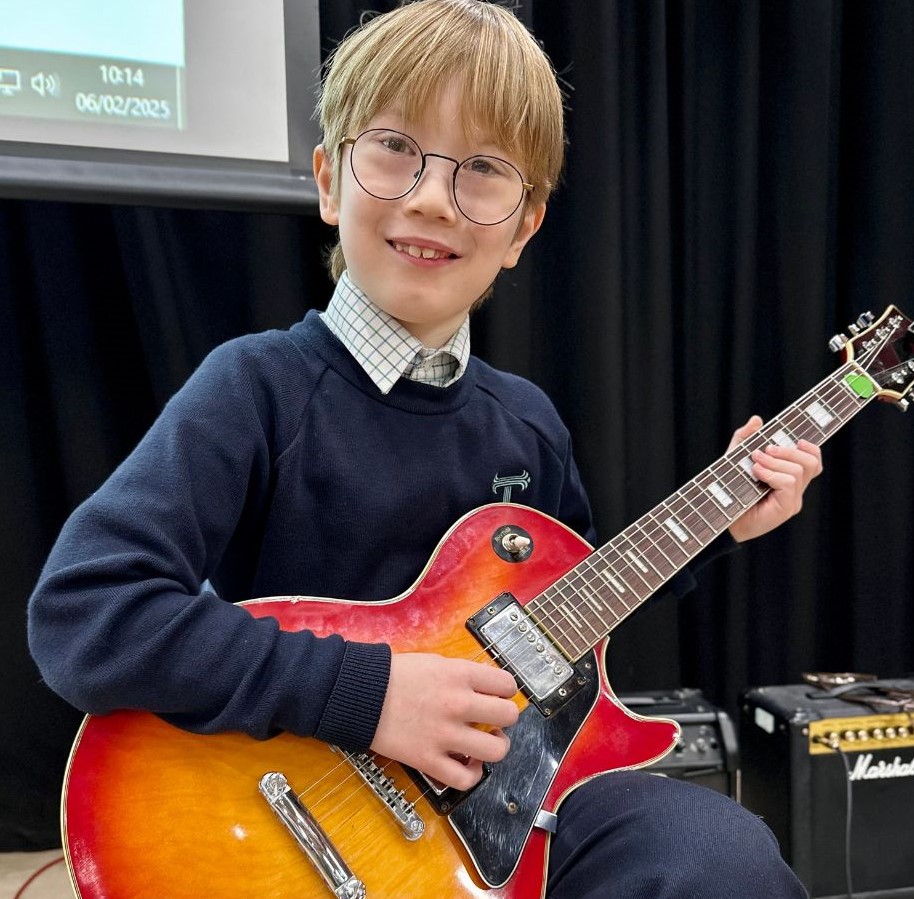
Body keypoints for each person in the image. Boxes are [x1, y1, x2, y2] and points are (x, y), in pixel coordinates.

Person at [29, 1, 822, 896]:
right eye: (396, 149)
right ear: (329, 181)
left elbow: (568, 609)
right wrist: (370, 695)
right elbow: (84, 614)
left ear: (524, 227)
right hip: (288, 819)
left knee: (726, 861)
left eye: (483, 170)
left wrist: (723, 522)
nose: (433, 196)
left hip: (509, 812)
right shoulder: (254, 388)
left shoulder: (526, 422)